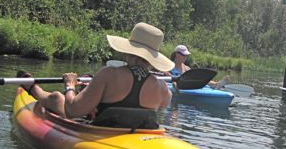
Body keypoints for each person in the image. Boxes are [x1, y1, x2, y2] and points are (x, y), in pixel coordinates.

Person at [19, 22, 174, 119]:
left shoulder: (109, 74)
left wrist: (70, 85)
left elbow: (72, 110)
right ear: (153, 58)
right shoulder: (164, 90)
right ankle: (33, 89)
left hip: (103, 134)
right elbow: (160, 105)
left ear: (128, 51)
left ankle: (33, 89)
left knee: (58, 98)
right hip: (137, 136)